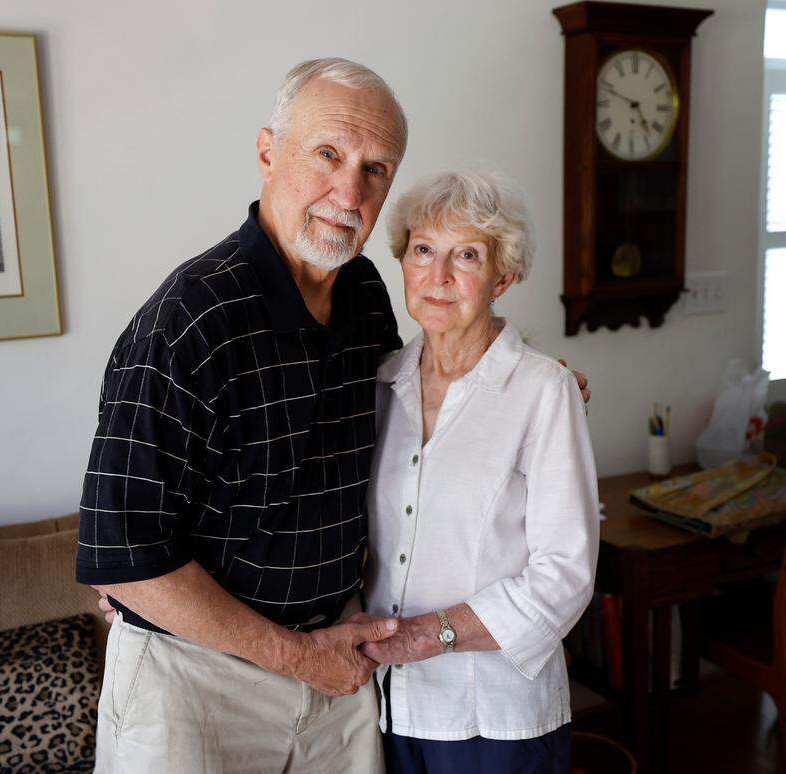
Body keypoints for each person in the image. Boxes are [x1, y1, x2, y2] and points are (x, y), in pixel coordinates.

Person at [79, 58, 591, 772]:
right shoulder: (188, 318)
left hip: (341, 673)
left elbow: (429, 409)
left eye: (375, 169)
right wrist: (296, 656)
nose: (348, 191)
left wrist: (535, 381)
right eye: (328, 154)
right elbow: (126, 557)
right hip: (200, 684)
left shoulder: (363, 297)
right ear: (268, 153)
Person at [355, 170, 601, 774]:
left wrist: (424, 635)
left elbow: (565, 574)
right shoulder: (378, 385)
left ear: (503, 277)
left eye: (466, 255)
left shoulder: (545, 390)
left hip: (495, 719)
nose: (438, 277)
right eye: (423, 251)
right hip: (384, 708)